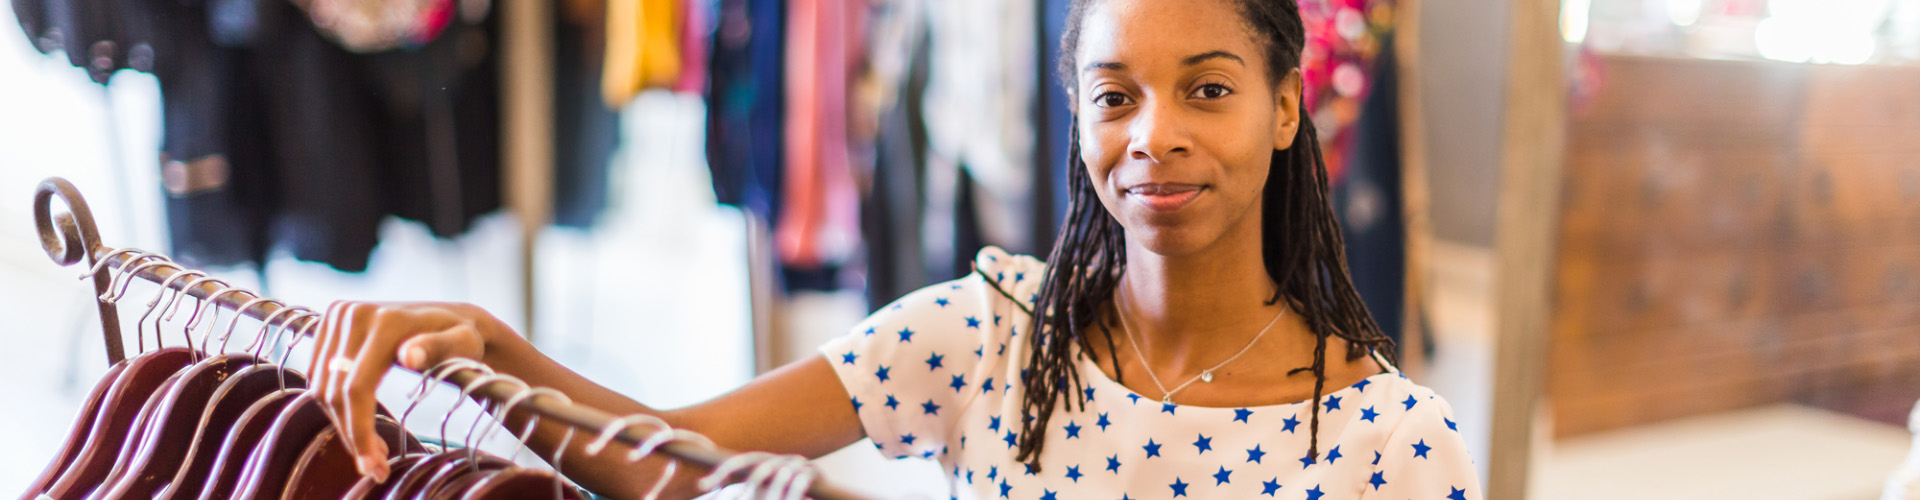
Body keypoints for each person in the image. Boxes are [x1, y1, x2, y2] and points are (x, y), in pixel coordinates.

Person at [307, 0, 1483, 497]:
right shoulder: (988, 335)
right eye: (1114, 95)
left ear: (1285, 111)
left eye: (1207, 89)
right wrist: (495, 350)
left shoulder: (1395, 442)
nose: (1153, 136)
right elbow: (672, 460)